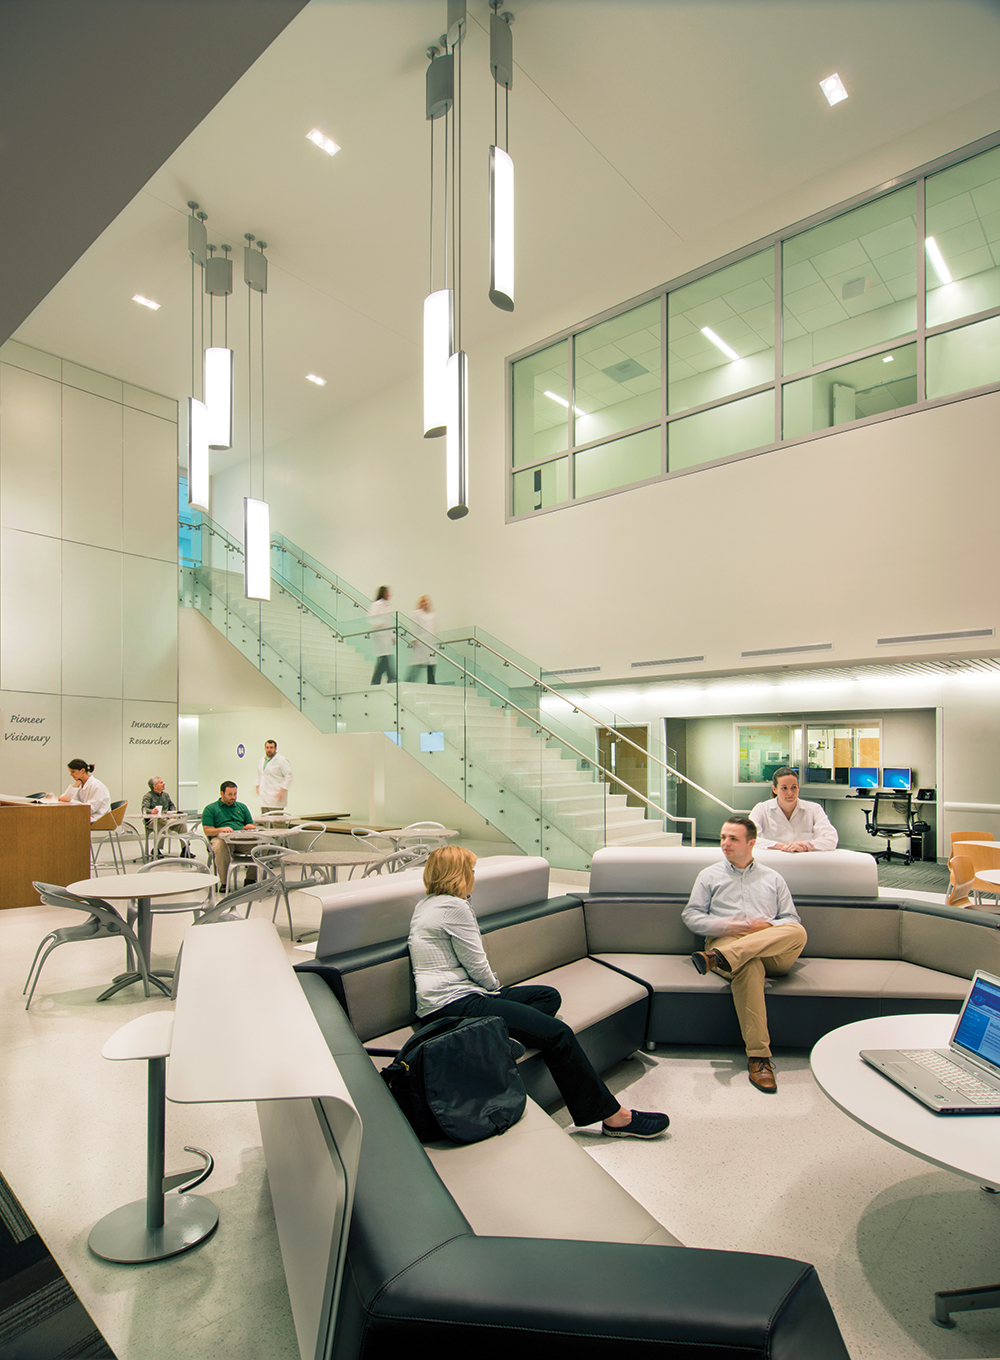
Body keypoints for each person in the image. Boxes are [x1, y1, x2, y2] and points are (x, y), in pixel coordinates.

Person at [408, 845, 670, 1138]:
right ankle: (613, 1117)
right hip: (456, 1003)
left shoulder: (427, 905)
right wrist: (497, 991)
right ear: (459, 874)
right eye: (470, 870)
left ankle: (495, 1035)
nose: (473, 876)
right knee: (558, 1034)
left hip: (451, 1000)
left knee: (547, 996)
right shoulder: (454, 907)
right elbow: (477, 965)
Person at [682, 815, 807, 1093]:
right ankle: (759, 1059)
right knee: (748, 966)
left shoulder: (773, 878)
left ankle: (720, 958)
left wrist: (768, 926)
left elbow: (790, 919)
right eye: (723, 837)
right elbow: (691, 916)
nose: (725, 843)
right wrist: (728, 924)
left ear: (751, 843)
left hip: (768, 947)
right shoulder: (709, 875)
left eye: (733, 838)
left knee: (797, 932)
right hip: (727, 940)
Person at [749, 766, 838, 852]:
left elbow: (831, 839)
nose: (790, 793)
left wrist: (805, 846)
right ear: (774, 789)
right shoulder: (761, 809)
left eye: (794, 787)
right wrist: (783, 846)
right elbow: (747, 839)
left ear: (798, 787)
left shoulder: (814, 809)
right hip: (773, 862)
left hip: (805, 862)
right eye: (784, 788)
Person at [201, 780, 256, 885]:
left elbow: (251, 824)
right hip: (221, 839)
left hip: (241, 839)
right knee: (219, 847)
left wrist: (250, 827)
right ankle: (224, 883)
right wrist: (221, 829)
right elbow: (207, 830)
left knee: (260, 847)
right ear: (222, 794)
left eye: (235, 794)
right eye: (230, 794)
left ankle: (250, 879)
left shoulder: (242, 807)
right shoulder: (210, 809)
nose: (233, 797)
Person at [141, 776, 188, 856]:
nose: (164, 783)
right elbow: (144, 809)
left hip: (166, 819)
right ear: (154, 786)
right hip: (153, 821)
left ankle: (185, 849)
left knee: (181, 824)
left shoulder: (165, 795)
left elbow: (172, 805)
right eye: (161, 782)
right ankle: (156, 849)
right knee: (163, 826)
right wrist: (151, 811)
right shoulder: (148, 796)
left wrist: (173, 814)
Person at [368, 585, 396, 685]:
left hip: (386, 635)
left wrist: (392, 636)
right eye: (388, 592)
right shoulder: (376, 604)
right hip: (379, 634)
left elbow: (390, 622)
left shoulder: (387, 606)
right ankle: (391, 677)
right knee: (384, 658)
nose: (389, 594)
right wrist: (381, 623)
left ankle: (378, 680)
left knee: (385, 658)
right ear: (383, 593)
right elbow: (371, 618)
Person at [406, 594, 437, 684]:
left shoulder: (432, 614)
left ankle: (431, 682)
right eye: (423, 601)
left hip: (430, 642)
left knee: (431, 663)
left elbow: (434, 628)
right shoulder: (416, 613)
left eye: (427, 601)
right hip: (421, 641)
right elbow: (414, 626)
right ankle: (408, 681)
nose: (425, 603)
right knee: (417, 665)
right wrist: (414, 639)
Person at [256, 739, 293, 812]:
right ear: (264, 748)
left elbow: (289, 776)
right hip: (264, 798)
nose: (269, 750)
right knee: (265, 821)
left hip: (275, 798)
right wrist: (257, 785)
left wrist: (283, 790)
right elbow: (260, 774)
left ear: (275, 748)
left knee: (277, 822)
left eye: (271, 747)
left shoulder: (282, 760)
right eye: (267, 747)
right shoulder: (262, 760)